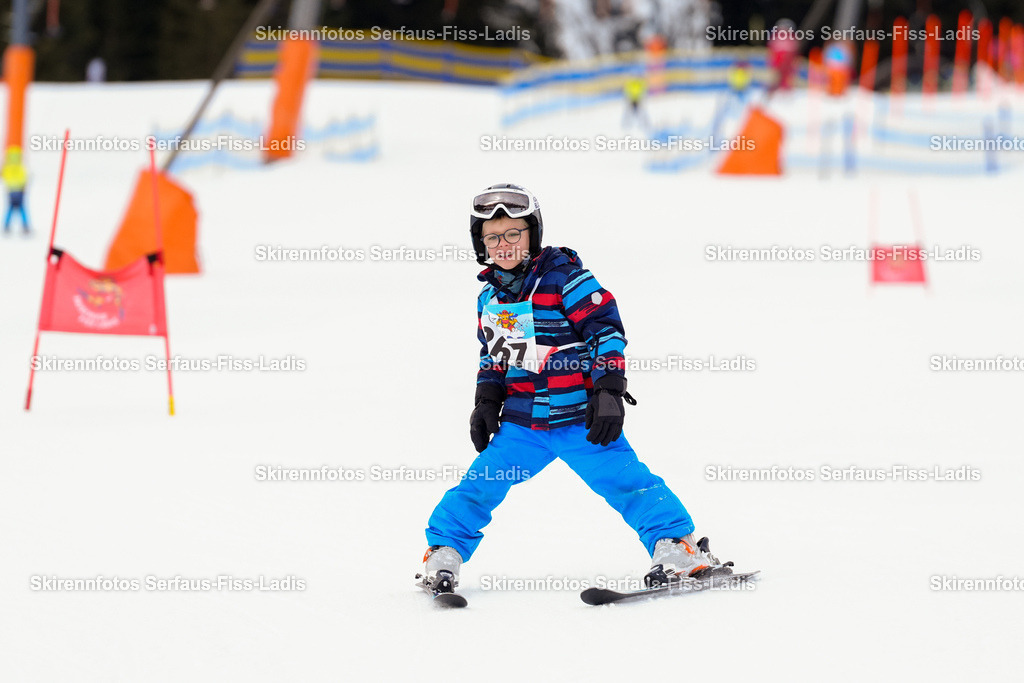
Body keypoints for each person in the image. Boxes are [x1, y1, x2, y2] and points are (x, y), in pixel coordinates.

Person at [418, 183, 726, 596]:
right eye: (493, 237)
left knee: (629, 484)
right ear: (480, 243)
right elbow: (493, 355)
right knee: (478, 486)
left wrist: (608, 390)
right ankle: (443, 554)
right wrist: (487, 401)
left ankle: (678, 549)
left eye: (513, 234)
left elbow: (606, 333)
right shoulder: (489, 298)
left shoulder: (567, 280)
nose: (504, 244)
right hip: (522, 426)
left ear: (532, 235)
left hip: (580, 419)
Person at [2, 146, 30, 234]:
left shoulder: (7, 167)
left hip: (10, 191)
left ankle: (6, 226)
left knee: (10, 208)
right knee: (21, 209)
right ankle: (25, 226)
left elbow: (3, 176)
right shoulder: (20, 167)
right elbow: (25, 178)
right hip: (20, 191)